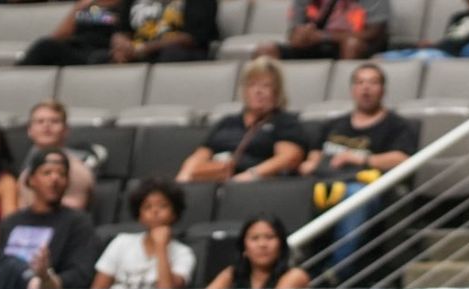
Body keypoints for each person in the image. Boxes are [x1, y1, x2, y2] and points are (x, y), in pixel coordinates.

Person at [300, 63, 418, 275]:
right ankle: (299, 266)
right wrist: (309, 165)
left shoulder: (397, 125)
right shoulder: (334, 124)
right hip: (325, 184)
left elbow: (402, 159)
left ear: (383, 90)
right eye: (360, 82)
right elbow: (313, 157)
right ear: (352, 89)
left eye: (373, 83)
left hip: (366, 188)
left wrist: (359, 158)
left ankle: (337, 271)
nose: (366, 88)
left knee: (355, 194)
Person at [176, 57, 308, 184]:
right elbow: (200, 155)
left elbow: (289, 158)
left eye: (266, 86)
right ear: (244, 90)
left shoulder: (284, 121)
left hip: (256, 187)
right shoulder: (227, 122)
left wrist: (251, 175)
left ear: (277, 91)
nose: (258, 91)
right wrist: (184, 177)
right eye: (252, 85)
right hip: (214, 182)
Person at [0, 149, 101, 289]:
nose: (55, 179)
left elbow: (81, 274)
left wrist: (47, 279)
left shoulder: (79, 223)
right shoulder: (10, 223)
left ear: (67, 182)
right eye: (47, 173)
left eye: (61, 174)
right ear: (31, 180)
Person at [22, 0, 217, 66]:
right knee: (46, 47)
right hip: (135, 52)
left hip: (171, 52)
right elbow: (121, 28)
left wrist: (140, 49)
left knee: (173, 55)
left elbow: (195, 37)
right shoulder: (89, 9)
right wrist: (120, 42)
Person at [91, 178, 195, 289]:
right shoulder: (121, 242)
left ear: (174, 213)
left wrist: (161, 247)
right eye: (147, 207)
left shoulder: (183, 253)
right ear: (139, 215)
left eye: (163, 206)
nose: (155, 211)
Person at [18, 101, 97, 212]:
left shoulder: (77, 170)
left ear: (66, 130)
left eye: (54, 121)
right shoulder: (26, 171)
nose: (46, 126)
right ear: (29, 130)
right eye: (40, 121)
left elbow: (72, 215)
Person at [256, 0, 389, 61]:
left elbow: (374, 32)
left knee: (352, 45)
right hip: (314, 44)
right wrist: (299, 36)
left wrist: (323, 36)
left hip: (353, 46)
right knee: (265, 50)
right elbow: (294, 33)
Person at [205, 215, 311, 289]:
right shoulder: (231, 274)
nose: (262, 244)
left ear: (281, 245)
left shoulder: (296, 276)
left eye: (270, 237)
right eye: (254, 238)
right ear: (244, 248)